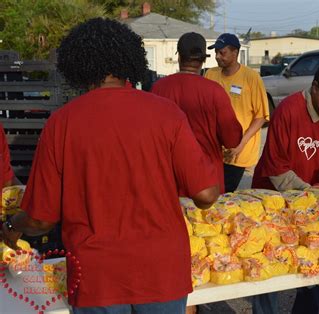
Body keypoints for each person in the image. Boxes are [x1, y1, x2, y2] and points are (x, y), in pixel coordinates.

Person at [0, 18, 219, 314]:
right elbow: (206, 195)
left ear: (76, 65)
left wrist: (11, 227)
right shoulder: (167, 113)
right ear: (129, 59)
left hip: (97, 276)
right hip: (161, 271)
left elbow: (41, 220)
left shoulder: (62, 123)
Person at [251, 61, 319, 314]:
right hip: (274, 196)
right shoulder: (288, 110)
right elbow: (277, 168)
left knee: (313, 263)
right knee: (268, 265)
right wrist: (310, 194)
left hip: (311, 200)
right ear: (315, 87)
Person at [151, 32, 242, 194]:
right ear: (204, 60)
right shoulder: (214, 91)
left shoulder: (158, 88)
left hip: (168, 179)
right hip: (207, 180)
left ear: (179, 57)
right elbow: (232, 139)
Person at [205, 33, 269, 192]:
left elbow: (261, 117)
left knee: (224, 192)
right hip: (214, 149)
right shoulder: (210, 74)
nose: (217, 57)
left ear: (235, 53)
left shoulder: (251, 78)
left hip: (238, 151)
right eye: (216, 52)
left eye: (222, 52)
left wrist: (241, 144)